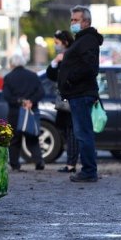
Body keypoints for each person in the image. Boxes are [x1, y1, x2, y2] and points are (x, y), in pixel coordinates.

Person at [59, 5, 103, 183]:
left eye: (75, 20)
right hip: (78, 93)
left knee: (83, 133)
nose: (72, 23)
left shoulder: (87, 40)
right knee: (82, 133)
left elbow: (89, 67)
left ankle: (89, 171)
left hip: (81, 93)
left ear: (86, 22)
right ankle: (88, 170)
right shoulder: (82, 39)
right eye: (71, 20)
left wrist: (70, 80)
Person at [3, 54, 45, 172]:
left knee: (14, 140)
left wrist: (19, 101)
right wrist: (31, 101)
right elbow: (41, 92)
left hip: (15, 112)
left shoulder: (8, 77)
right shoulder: (33, 76)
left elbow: (7, 96)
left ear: (12, 64)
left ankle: (15, 164)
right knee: (32, 137)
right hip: (30, 111)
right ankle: (38, 161)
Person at [46, 30, 79, 173]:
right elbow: (52, 75)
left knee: (71, 131)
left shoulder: (72, 55)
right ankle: (71, 160)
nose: (55, 46)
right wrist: (55, 62)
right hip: (63, 101)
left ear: (64, 42)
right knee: (63, 128)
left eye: (57, 43)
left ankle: (71, 163)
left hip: (70, 100)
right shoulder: (60, 58)